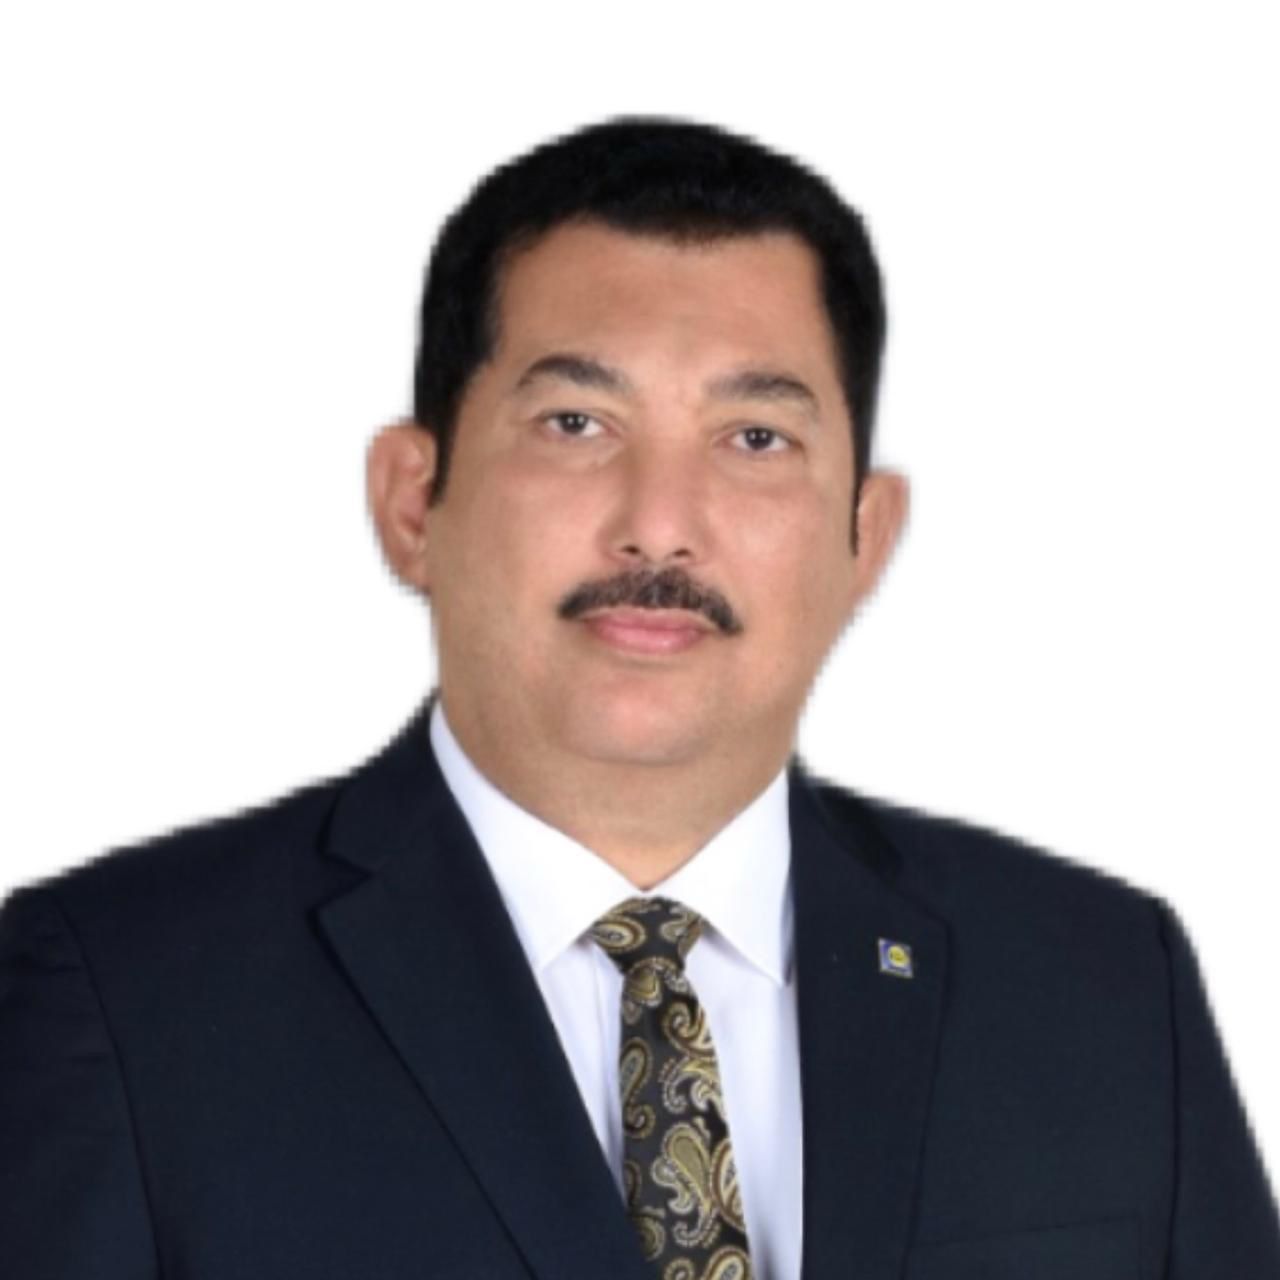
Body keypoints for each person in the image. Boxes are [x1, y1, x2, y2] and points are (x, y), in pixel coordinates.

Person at [2, 115, 1276, 1280]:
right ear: (412, 501)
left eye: (754, 437)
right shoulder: (119, 994)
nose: (659, 524)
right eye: (576, 422)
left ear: (863, 536)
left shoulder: (1103, 986)